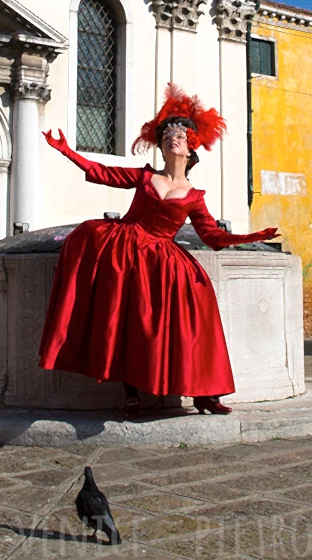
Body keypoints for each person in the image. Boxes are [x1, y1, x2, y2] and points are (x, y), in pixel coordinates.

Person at [38, 84, 277, 416]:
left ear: (190, 150)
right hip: (125, 250)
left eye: (178, 136)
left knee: (197, 306)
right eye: (167, 136)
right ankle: (131, 393)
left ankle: (205, 393)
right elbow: (101, 173)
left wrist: (249, 237)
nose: (172, 138)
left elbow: (211, 236)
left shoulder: (194, 196)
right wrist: (67, 151)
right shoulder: (145, 177)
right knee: (124, 319)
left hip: (162, 257)